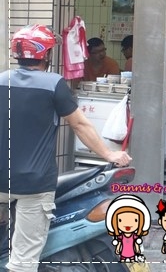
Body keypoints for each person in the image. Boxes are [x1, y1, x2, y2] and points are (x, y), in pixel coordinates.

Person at [1, 25, 132, 272]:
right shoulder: (54, 84)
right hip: (35, 184)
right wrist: (109, 154)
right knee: (23, 262)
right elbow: (80, 125)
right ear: (46, 54)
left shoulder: (2, 80)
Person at [105, 194, 151, 263]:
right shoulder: (120, 236)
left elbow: (137, 244)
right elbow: (119, 243)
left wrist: (138, 251)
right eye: (121, 220)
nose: (128, 224)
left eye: (134, 220)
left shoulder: (135, 236)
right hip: (123, 254)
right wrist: (117, 249)